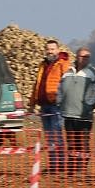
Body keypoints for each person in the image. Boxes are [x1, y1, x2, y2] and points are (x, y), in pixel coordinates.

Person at [57, 47, 95, 175]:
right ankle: (71, 168)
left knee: (83, 143)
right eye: (81, 56)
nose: (83, 59)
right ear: (76, 57)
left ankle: (82, 169)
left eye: (86, 57)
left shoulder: (93, 73)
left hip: (84, 115)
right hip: (68, 114)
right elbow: (60, 89)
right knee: (71, 143)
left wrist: (89, 106)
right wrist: (59, 103)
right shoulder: (67, 72)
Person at [31, 40, 71, 172]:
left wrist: (63, 100)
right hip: (44, 105)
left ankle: (61, 164)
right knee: (49, 137)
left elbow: (67, 83)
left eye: (52, 49)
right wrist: (32, 103)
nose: (50, 51)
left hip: (56, 105)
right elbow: (37, 84)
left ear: (58, 50)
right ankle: (53, 165)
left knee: (57, 135)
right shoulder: (43, 65)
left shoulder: (62, 64)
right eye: (48, 49)